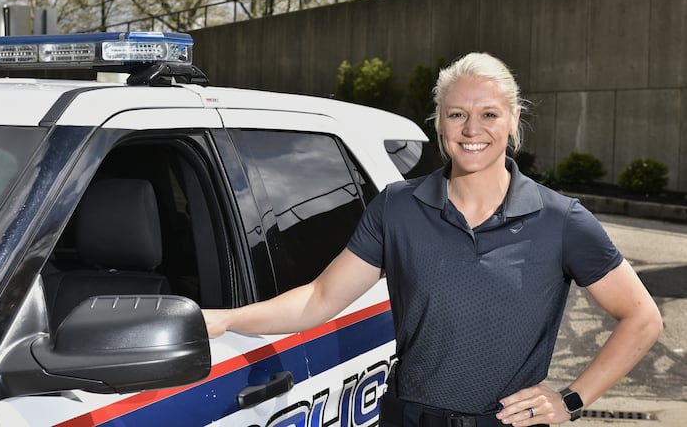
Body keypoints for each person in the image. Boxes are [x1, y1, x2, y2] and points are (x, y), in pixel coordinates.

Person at [203, 52, 663, 427]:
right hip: (408, 418)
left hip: (504, 422)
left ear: (513, 120)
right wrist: (226, 320)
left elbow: (642, 318)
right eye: (456, 114)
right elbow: (319, 299)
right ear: (438, 122)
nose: (471, 130)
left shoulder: (561, 219)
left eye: (488, 114)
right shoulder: (398, 207)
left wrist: (571, 400)